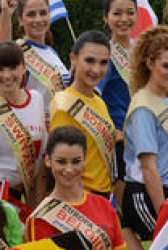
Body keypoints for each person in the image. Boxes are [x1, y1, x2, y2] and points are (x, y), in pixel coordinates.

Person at [121, 26, 168, 250]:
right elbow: (148, 166)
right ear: (150, 63)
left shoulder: (164, 99)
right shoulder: (144, 107)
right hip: (144, 193)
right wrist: (164, 212)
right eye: (167, 66)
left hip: (167, 190)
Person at [0, 41, 49, 215]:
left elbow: (41, 160)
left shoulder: (37, 99)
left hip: (28, 194)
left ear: (24, 68)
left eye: (13, 68)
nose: (7, 75)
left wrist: (37, 206)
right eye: (0, 69)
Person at [49, 31, 118, 199]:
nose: (96, 69)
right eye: (89, 61)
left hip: (104, 195)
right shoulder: (65, 106)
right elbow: (62, 164)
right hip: (81, 197)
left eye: (103, 63)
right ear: (73, 59)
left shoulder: (98, 100)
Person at [98, 0, 138, 211]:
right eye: (117, 13)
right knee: (122, 203)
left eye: (130, 12)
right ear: (106, 17)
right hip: (119, 139)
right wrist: (111, 128)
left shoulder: (141, 52)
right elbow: (93, 94)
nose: (124, 19)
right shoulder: (104, 55)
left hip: (140, 135)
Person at [0, 0, 69, 99]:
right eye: (31, 14)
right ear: (20, 20)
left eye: (43, 13)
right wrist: (6, 13)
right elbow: (1, 57)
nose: (38, 19)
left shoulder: (52, 52)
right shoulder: (18, 51)